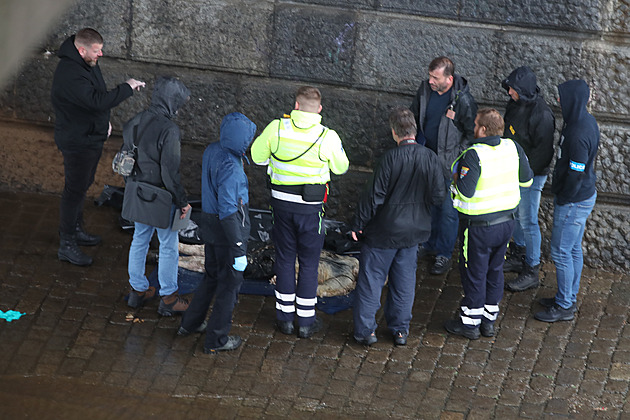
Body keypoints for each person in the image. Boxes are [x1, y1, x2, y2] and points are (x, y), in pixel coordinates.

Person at [251, 86, 349, 338]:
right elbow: (341, 168)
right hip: (311, 211)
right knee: (309, 262)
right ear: (319, 110)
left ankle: (284, 319)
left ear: (295, 106)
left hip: (281, 207)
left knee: (284, 258)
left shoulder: (277, 128)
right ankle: (305, 322)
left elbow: (257, 156)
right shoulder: (328, 136)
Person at [51, 27, 145, 266]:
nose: (100, 55)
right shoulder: (71, 73)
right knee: (74, 190)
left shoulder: (86, 62)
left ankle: (76, 229)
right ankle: (67, 243)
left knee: (82, 186)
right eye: (97, 51)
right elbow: (96, 101)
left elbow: (95, 97)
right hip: (78, 141)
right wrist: (127, 87)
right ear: (82, 50)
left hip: (90, 135)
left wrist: (104, 122)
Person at [351, 107, 443, 346]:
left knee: (371, 280)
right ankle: (400, 330)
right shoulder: (430, 158)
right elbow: (439, 196)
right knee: (404, 282)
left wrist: (358, 224)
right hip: (414, 233)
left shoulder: (389, 160)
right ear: (414, 130)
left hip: (384, 232)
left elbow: (373, 197)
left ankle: (366, 331)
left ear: (394, 132)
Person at [444, 108, 532, 339]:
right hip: (506, 225)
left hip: (478, 227)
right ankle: (488, 320)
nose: (473, 128)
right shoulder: (513, 148)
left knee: (474, 272)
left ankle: (470, 324)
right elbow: (527, 180)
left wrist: (454, 181)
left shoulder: (474, 154)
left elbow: (466, 192)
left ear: (483, 129)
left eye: (475, 124)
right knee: (495, 271)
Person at [178, 112, 257, 353]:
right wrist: (238, 248)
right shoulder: (232, 168)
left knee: (211, 277)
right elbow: (229, 211)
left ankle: (189, 324)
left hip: (210, 227)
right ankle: (216, 339)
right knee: (228, 288)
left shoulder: (213, 149)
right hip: (227, 233)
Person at [124, 76, 191, 317]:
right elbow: (169, 172)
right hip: (162, 197)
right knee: (169, 246)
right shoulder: (170, 129)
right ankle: (169, 298)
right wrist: (182, 201)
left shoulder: (134, 121)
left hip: (138, 191)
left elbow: (125, 162)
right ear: (172, 101)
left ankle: (137, 291)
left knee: (139, 239)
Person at [534, 80, 599, 323]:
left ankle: (565, 305)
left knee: (561, 251)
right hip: (582, 196)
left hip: (573, 200)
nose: (559, 101)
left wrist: (564, 196)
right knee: (572, 249)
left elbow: (576, 171)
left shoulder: (578, 133)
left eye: (562, 97)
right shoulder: (583, 122)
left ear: (572, 100)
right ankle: (568, 295)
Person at [410, 56, 477, 275]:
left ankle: (444, 254)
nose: (430, 80)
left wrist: (457, 156)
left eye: (434, 77)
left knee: (448, 211)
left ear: (449, 79)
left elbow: (470, 133)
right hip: (425, 157)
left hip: (449, 165)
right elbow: (414, 117)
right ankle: (428, 244)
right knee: (428, 205)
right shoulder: (424, 91)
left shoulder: (463, 101)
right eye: (429, 76)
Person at [500, 67, 555, 292]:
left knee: (529, 220)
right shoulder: (515, 104)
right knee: (516, 216)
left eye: (513, 89)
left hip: (531, 175)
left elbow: (543, 152)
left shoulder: (541, 114)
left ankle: (532, 268)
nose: (510, 92)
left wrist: (525, 176)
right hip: (515, 171)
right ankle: (519, 253)